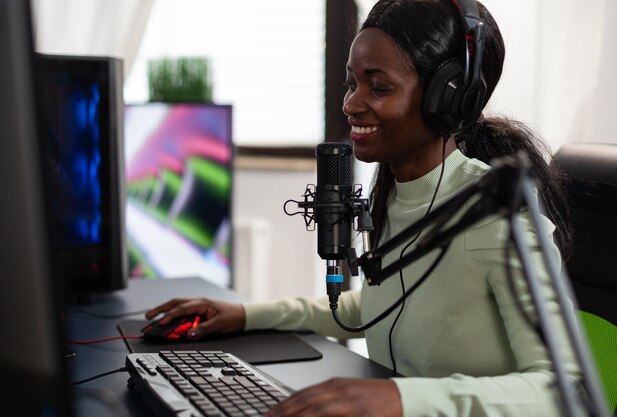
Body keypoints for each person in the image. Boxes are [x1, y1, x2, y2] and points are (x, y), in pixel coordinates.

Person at [146, 0, 579, 415]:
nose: (350, 104)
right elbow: (377, 305)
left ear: (447, 99)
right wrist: (246, 315)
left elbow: (560, 390)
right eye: (352, 82)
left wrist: (397, 401)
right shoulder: (395, 191)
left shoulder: (498, 214)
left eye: (379, 87)